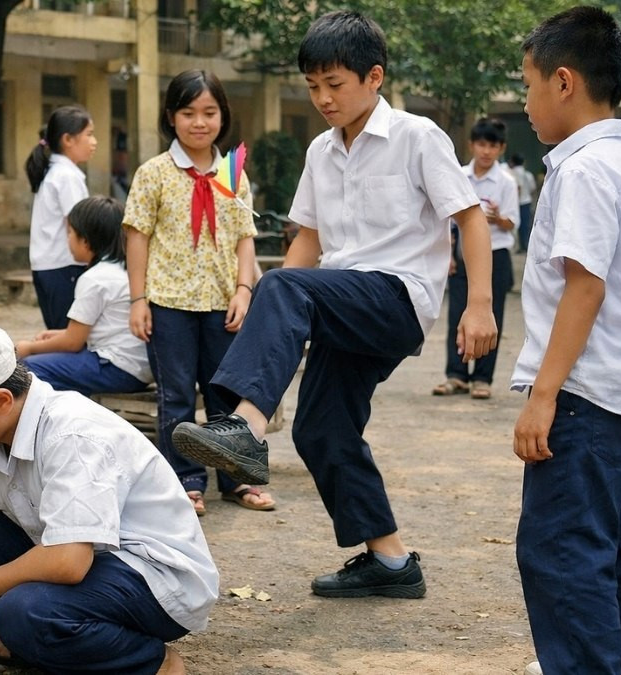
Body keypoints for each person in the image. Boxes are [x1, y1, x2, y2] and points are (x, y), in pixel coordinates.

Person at [170, 11, 498, 597]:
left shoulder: (418, 137)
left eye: (334, 84)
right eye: (312, 85)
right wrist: (275, 319)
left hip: (396, 298)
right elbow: (311, 240)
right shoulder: (322, 150)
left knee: (283, 286)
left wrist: (478, 305)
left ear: (374, 77)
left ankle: (243, 428)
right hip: (341, 304)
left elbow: (470, 219)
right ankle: (393, 564)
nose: (322, 97)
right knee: (323, 429)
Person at [0, 315, 218, 675]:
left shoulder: (72, 435)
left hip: (156, 578)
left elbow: (68, 561)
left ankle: (150, 661)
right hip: (89, 560)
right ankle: (49, 639)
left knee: (23, 612)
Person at [510, 8, 621, 673]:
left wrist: (544, 394)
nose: (525, 103)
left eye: (529, 84)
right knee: (609, 547)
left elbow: (584, 288)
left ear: (563, 82)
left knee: (562, 551)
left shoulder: (587, 170)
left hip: (585, 399)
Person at [123, 69, 274, 516]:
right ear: (171, 117)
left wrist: (245, 289)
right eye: (188, 112)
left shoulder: (232, 173)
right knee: (177, 396)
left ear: (223, 117)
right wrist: (138, 300)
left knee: (227, 392)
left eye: (209, 112)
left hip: (224, 302)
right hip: (168, 303)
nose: (199, 122)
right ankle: (187, 481)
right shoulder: (153, 173)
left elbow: (244, 235)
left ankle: (237, 479)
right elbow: (137, 237)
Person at [15, 195, 151, 397]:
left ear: (85, 242)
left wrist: (30, 347)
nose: (67, 238)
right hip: (139, 368)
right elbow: (87, 332)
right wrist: (57, 334)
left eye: (70, 233)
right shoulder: (129, 271)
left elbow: (73, 342)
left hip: (116, 369)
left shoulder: (95, 279)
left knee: (29, 369)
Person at [432, 118, 519, 400]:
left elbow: (512, 223)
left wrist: (497, 218)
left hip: (496, 255)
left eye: (493, 146)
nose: (486, 151)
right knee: (457, 312)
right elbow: (446, 220)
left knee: (491, 316)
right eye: (481, 144)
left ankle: (482, 377)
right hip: (462, 253)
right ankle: (456, 374)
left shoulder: (506, 182)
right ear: (471, 145)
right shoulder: (458, 175)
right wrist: (448, 254)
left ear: (501, 149)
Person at [25, 105, 98, 330]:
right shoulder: (66, 176)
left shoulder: (56, 171)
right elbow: (77, 225)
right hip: (64, 266)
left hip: (48, 266)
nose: (94, 141)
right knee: (67, 336)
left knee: (59, 332)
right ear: (68, 139)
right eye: (89, 134)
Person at [508, 152, 538, 253]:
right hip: (527, 201)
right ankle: (525, 245)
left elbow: (518, 188)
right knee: (526, 224)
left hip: (518, 202)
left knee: (519, 225)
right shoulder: (528, 174)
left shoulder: (512, 172)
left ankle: (521, 246)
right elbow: (533, 188)